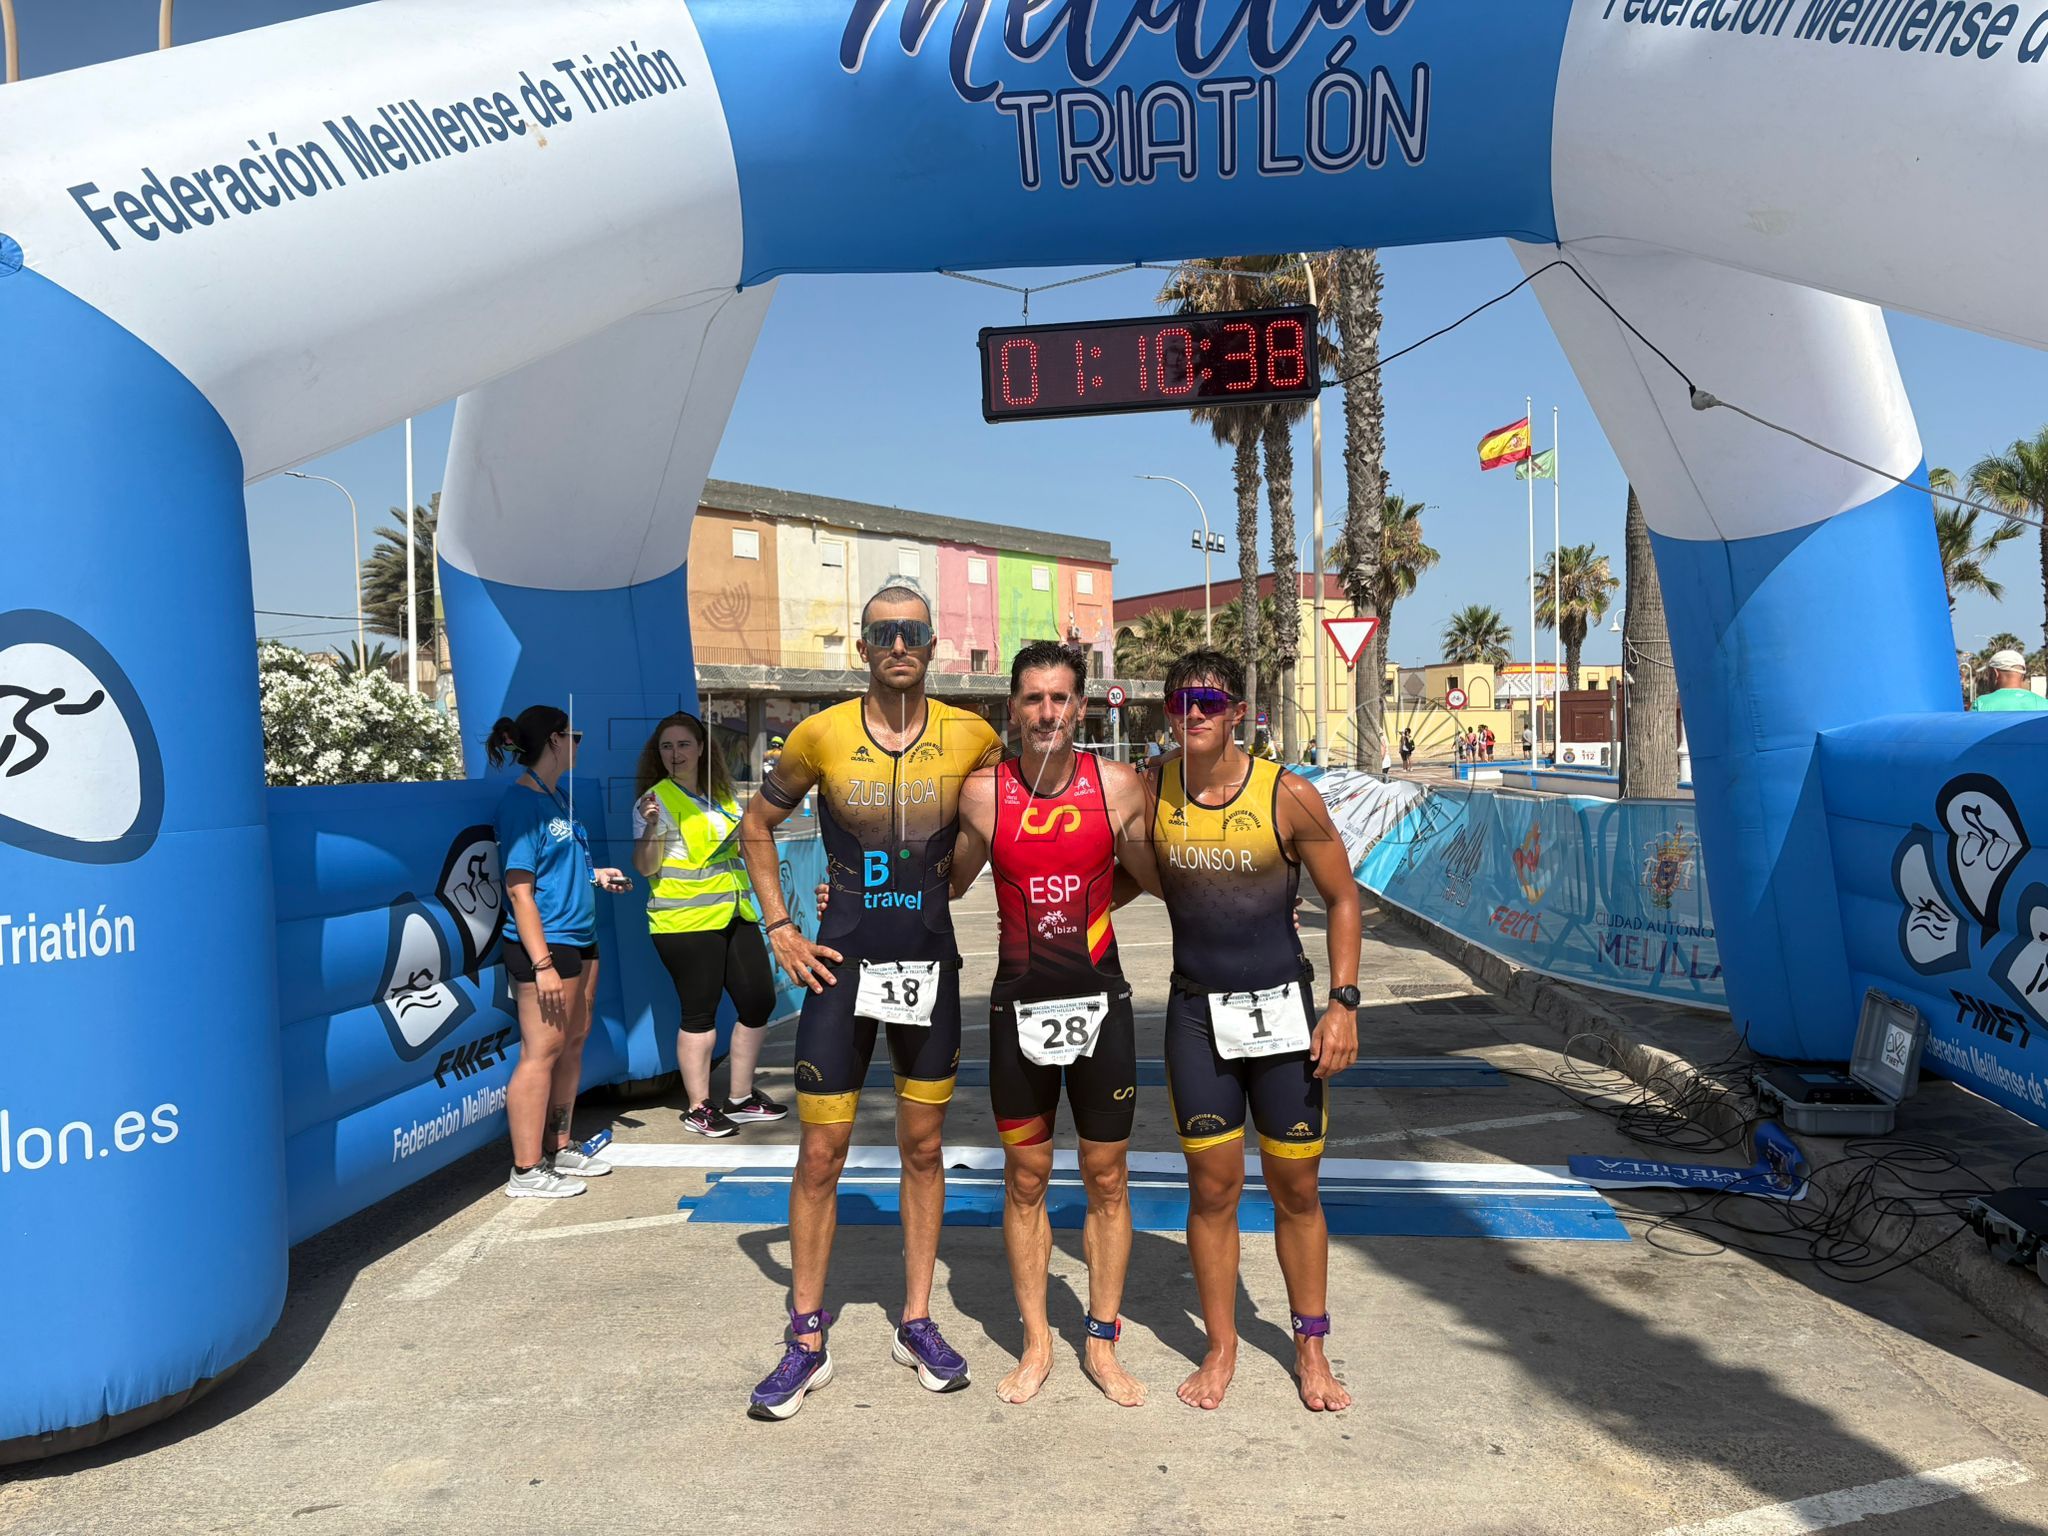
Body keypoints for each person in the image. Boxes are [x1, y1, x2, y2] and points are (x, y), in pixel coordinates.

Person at [737, 584, 1002, 1421]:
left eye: (912, 631)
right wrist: (779, 924)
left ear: (932, 645)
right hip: (838, 969)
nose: (899, 643)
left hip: (928, 965)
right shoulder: (820, 734)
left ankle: (915, 1320)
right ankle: (806, 1336)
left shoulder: (973, 734)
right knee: (822, 1155)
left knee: (923, 1151)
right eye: (883, 631)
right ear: (862, 647)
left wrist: (964, 865)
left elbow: (986, 845)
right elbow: (755, 826)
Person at [1149, 649, 1361, 1413]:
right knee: (1212, 1188)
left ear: (1237, 709)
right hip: (1196, 1016)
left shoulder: (1289, 795)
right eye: (1179, 699)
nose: (1193, 711)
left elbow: (1341, 899)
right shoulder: (1153, 794)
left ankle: (1311, 1347)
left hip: (1282, 1014)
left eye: (1207, 699)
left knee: (1295, 1187)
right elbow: (1111, 875)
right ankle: (1223, 1345)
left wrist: (1342, 1004)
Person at [948, 641, 1160, 1408]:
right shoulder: (982, 795)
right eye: (1033, 698)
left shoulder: (1120, 787)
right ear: (1012, 708)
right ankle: (1038, 1341)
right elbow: (945, 880)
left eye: (1059, 698)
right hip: (1017, 1011)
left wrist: (1084, 913)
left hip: (1101, 1007)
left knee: (1107, 1178)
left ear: (1081, 706)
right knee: (1027, 1177)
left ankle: (1101, 1342)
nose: (1046, 712)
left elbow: (1160, 878)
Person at [487, 706, 634, 1198]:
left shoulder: (558, 796)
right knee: (541, 1052)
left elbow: (556, 868)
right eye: (576, 734)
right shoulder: (520, 805)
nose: (580, 742)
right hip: (545, 945)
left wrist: (595, 876)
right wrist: (543, 964)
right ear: (554, 739)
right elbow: (519, 891)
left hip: (580, 936)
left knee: (573, 1042)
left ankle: (560, 1145)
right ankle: (526, 1171)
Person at [632, 712, 787, 1139]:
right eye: (667, 746)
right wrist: (649, 828)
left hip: (735, 913)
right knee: (699, 1013)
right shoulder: (655, 801)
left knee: (758, 1001)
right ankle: (699, 1107)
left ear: (701, 749)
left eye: (683, 745)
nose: (675, 754)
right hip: (683, 922)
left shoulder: (723, 797)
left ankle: (740, 1097)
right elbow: (646, 866)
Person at [1975, 649, 2047, 712]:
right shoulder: (2044, 704)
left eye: (1989, 674)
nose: (1988, 679)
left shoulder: (1980, 704)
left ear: (1995, 674)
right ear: (2022, 675)